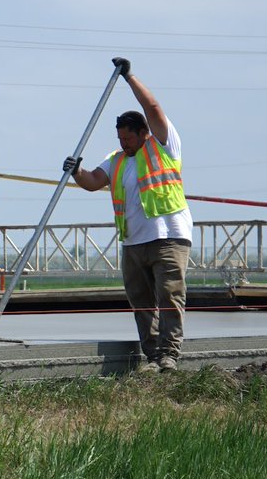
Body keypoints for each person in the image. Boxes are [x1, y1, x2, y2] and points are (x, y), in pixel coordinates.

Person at [63, 57, 193, 372]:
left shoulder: (164, 146)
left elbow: (154, 109)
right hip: (134, 242)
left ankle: (169, 356)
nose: (124, 143)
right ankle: (152, 358)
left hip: (168, 237)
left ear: (143, 133)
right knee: (142, 303)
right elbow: (93, 181)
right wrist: (76, 171)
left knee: (169, 297)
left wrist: (130, 77)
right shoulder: (118, 160)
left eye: (128, 138)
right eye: (120, 139)